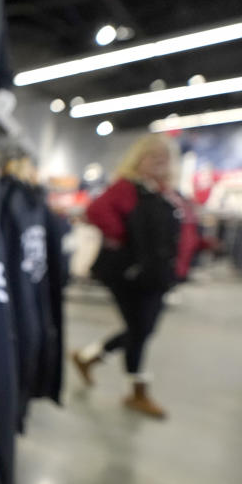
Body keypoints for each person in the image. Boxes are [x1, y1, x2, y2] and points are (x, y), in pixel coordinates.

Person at [72, 134, 185, 418]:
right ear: (139, 158)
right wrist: (122, 238)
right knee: (140, 329)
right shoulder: (127, 188)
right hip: (130, 274)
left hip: (157, 273)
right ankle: (138, 390)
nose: (160, 162)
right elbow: (95, 210)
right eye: (153, 156)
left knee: (143, 329)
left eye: (164, 157)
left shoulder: (166, 193)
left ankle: (89, 357)